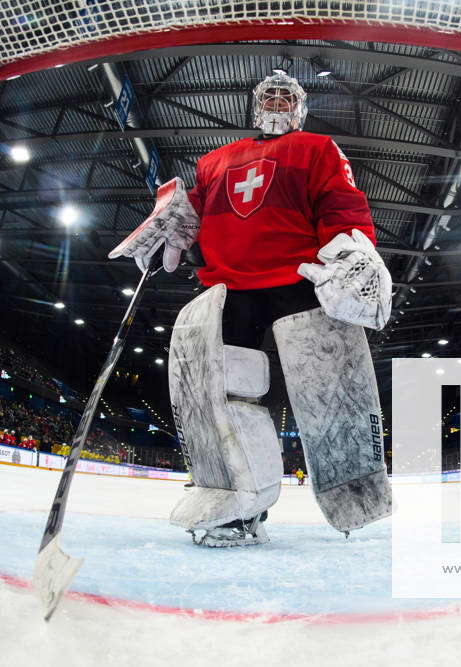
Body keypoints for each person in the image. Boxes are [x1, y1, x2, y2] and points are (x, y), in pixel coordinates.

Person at [110, 73, 392, 547]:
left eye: (287, 96)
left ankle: (353, 488)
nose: (277, 101)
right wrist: (177, 215)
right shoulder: (214, 161)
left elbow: (340, 202)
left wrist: (350, 250)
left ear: (300, 108)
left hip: (302, 278)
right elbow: (195, 209)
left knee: (328, 387)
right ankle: (239, 502)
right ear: (255, 106)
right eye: (269, 96)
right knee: (223, 392)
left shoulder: (317, 147)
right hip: (230, 285)